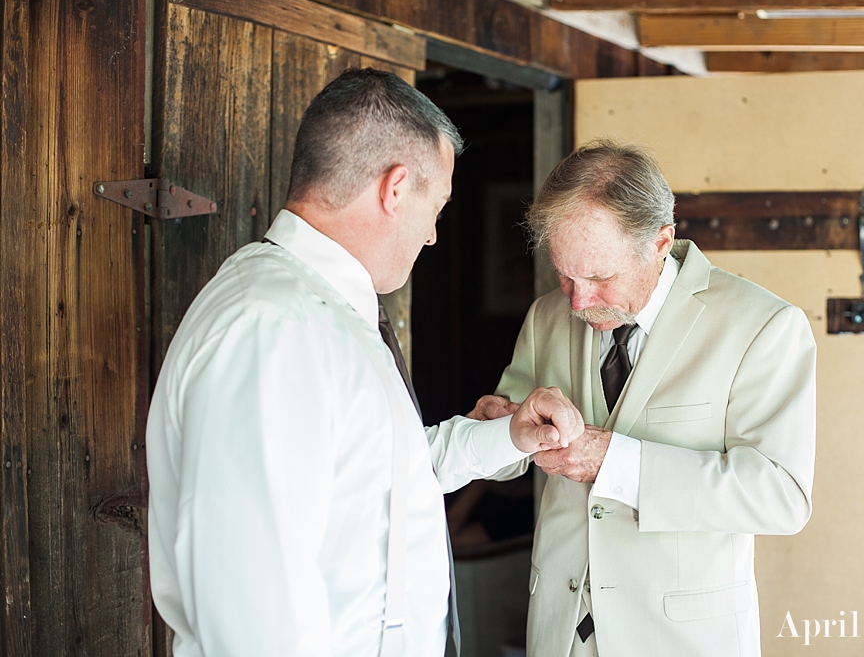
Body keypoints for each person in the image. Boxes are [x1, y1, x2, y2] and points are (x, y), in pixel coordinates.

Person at [145, 68, 584, 657]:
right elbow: (249, 590)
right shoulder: (274, 327)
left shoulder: (322, 311)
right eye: (437, 206)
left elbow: (376, 476)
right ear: (395, 188)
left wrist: (507, 438)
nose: (432, 235)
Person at [478, 140, 817, 657]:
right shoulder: (545, 315)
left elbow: (782, 497)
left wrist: (614, 460)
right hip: (556, 635)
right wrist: (496, 431)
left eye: (599, 277)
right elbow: (506, 460)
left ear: (661, 241)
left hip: (681, 639)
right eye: (564, 274)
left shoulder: (764, 327)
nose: (578, 301)